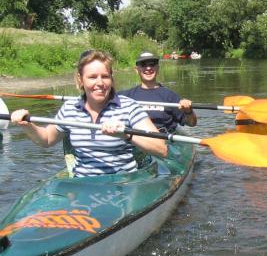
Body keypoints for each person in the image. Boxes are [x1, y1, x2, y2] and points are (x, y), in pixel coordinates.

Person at [9, 50, 166, 176]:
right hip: (83, 186)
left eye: (105, 76)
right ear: (81, 80)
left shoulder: (129, 107)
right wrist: (27, 125)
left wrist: (127, 135)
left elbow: (162, 149)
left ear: (111, 79)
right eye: (92, 77)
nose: (100, 83)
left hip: (122, 185)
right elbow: (47, 139)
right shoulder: (69, 109)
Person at [119, 52, 197, 133]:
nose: (148, 68)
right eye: (143, 64)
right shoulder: (125, 96)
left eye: (152, 64)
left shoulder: (170, 96)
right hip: (136, 138)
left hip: (164, 138)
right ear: (136, 70)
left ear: (158, 68)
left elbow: (192, 123)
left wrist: (188, 111)